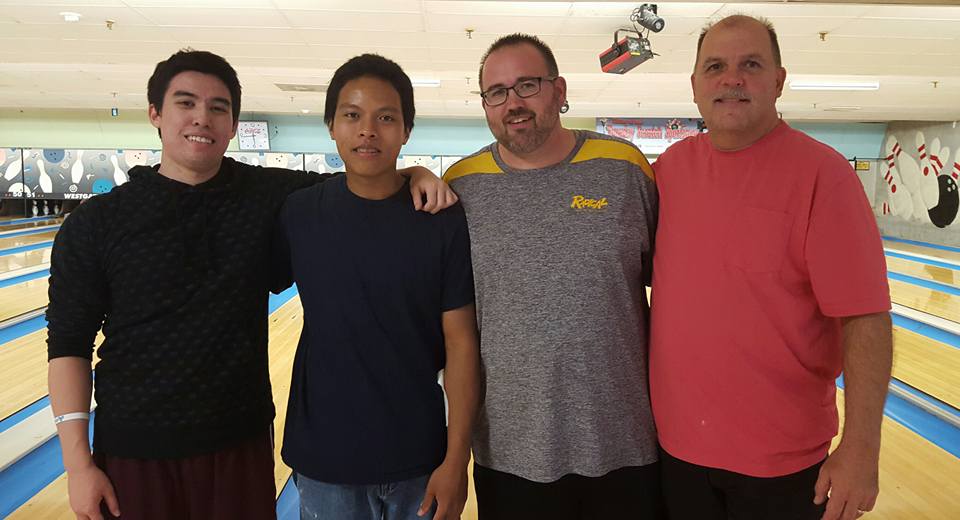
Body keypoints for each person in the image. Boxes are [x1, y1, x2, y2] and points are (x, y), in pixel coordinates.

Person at [46, 49, 456, 520]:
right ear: (155, 113)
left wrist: (417, 172)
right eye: (185, 103)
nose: (202, 118)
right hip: (135, 450)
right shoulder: (96, 223)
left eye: (218, 107)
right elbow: (68, 344)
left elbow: (364, 177)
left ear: (234, 123)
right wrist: (78, 464)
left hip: (239, 444)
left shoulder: (269, 196)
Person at [649, 15, 893, 520]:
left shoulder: (824, 175)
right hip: (675, 451)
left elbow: (866, 318)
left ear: (779, 80)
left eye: (750, 65)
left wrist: (862, 448)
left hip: (782, 466)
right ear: (695, 86)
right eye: (715, 66)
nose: (731, 79)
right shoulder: (667, 173)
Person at [443, 34, 663, 519]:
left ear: (559, 90)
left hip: (623, 443)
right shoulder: (460, 187)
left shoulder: (624, 170)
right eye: (496, 92)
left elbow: (669, 292)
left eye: (528, 85)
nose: (513, 103)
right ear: (485, 105)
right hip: (511, 452)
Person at [273, 53, 480, 520]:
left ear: (406, 130)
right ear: (331, 125)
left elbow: (461, 343)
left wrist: (456, 457)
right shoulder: (299, 212)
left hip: (421, 458)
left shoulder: (440, 221)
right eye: (352, 115)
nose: (368, 130)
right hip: (325, 460)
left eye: (386, 118)